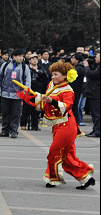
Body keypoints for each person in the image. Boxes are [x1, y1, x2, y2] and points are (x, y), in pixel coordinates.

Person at [18, 61, 95, 189]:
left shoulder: (68, 90)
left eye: (56, 74)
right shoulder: (51, 85)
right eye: (52, 74)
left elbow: (66, 106)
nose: (53, 77)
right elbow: (44, 102)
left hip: (67, 125)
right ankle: (86, 177)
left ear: (65, 76)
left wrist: (51, 101)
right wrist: (35, 95)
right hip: (56, 125)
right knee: (66, 156)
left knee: (54, 151)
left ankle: (52, 178)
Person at [0, 48, 31, 138]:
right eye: (19, 56)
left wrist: (26, 90)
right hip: (5, 94)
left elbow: (27, 80)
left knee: (16, 114)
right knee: (5, 113)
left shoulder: (24, 67)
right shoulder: (5, 65)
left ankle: (14, 130)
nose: (21, 58)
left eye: (22, 56)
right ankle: (5, 130)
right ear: (14, 56)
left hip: (17, 95)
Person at [83, 52, 100, 137]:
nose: (95, 58)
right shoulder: (98, 66)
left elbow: (91, 74)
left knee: (97, 114)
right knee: (94, 114)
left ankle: (98, 131)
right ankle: (95, 129)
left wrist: (86, 66)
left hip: (97, 93)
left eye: (97, 57)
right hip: (94, 93)